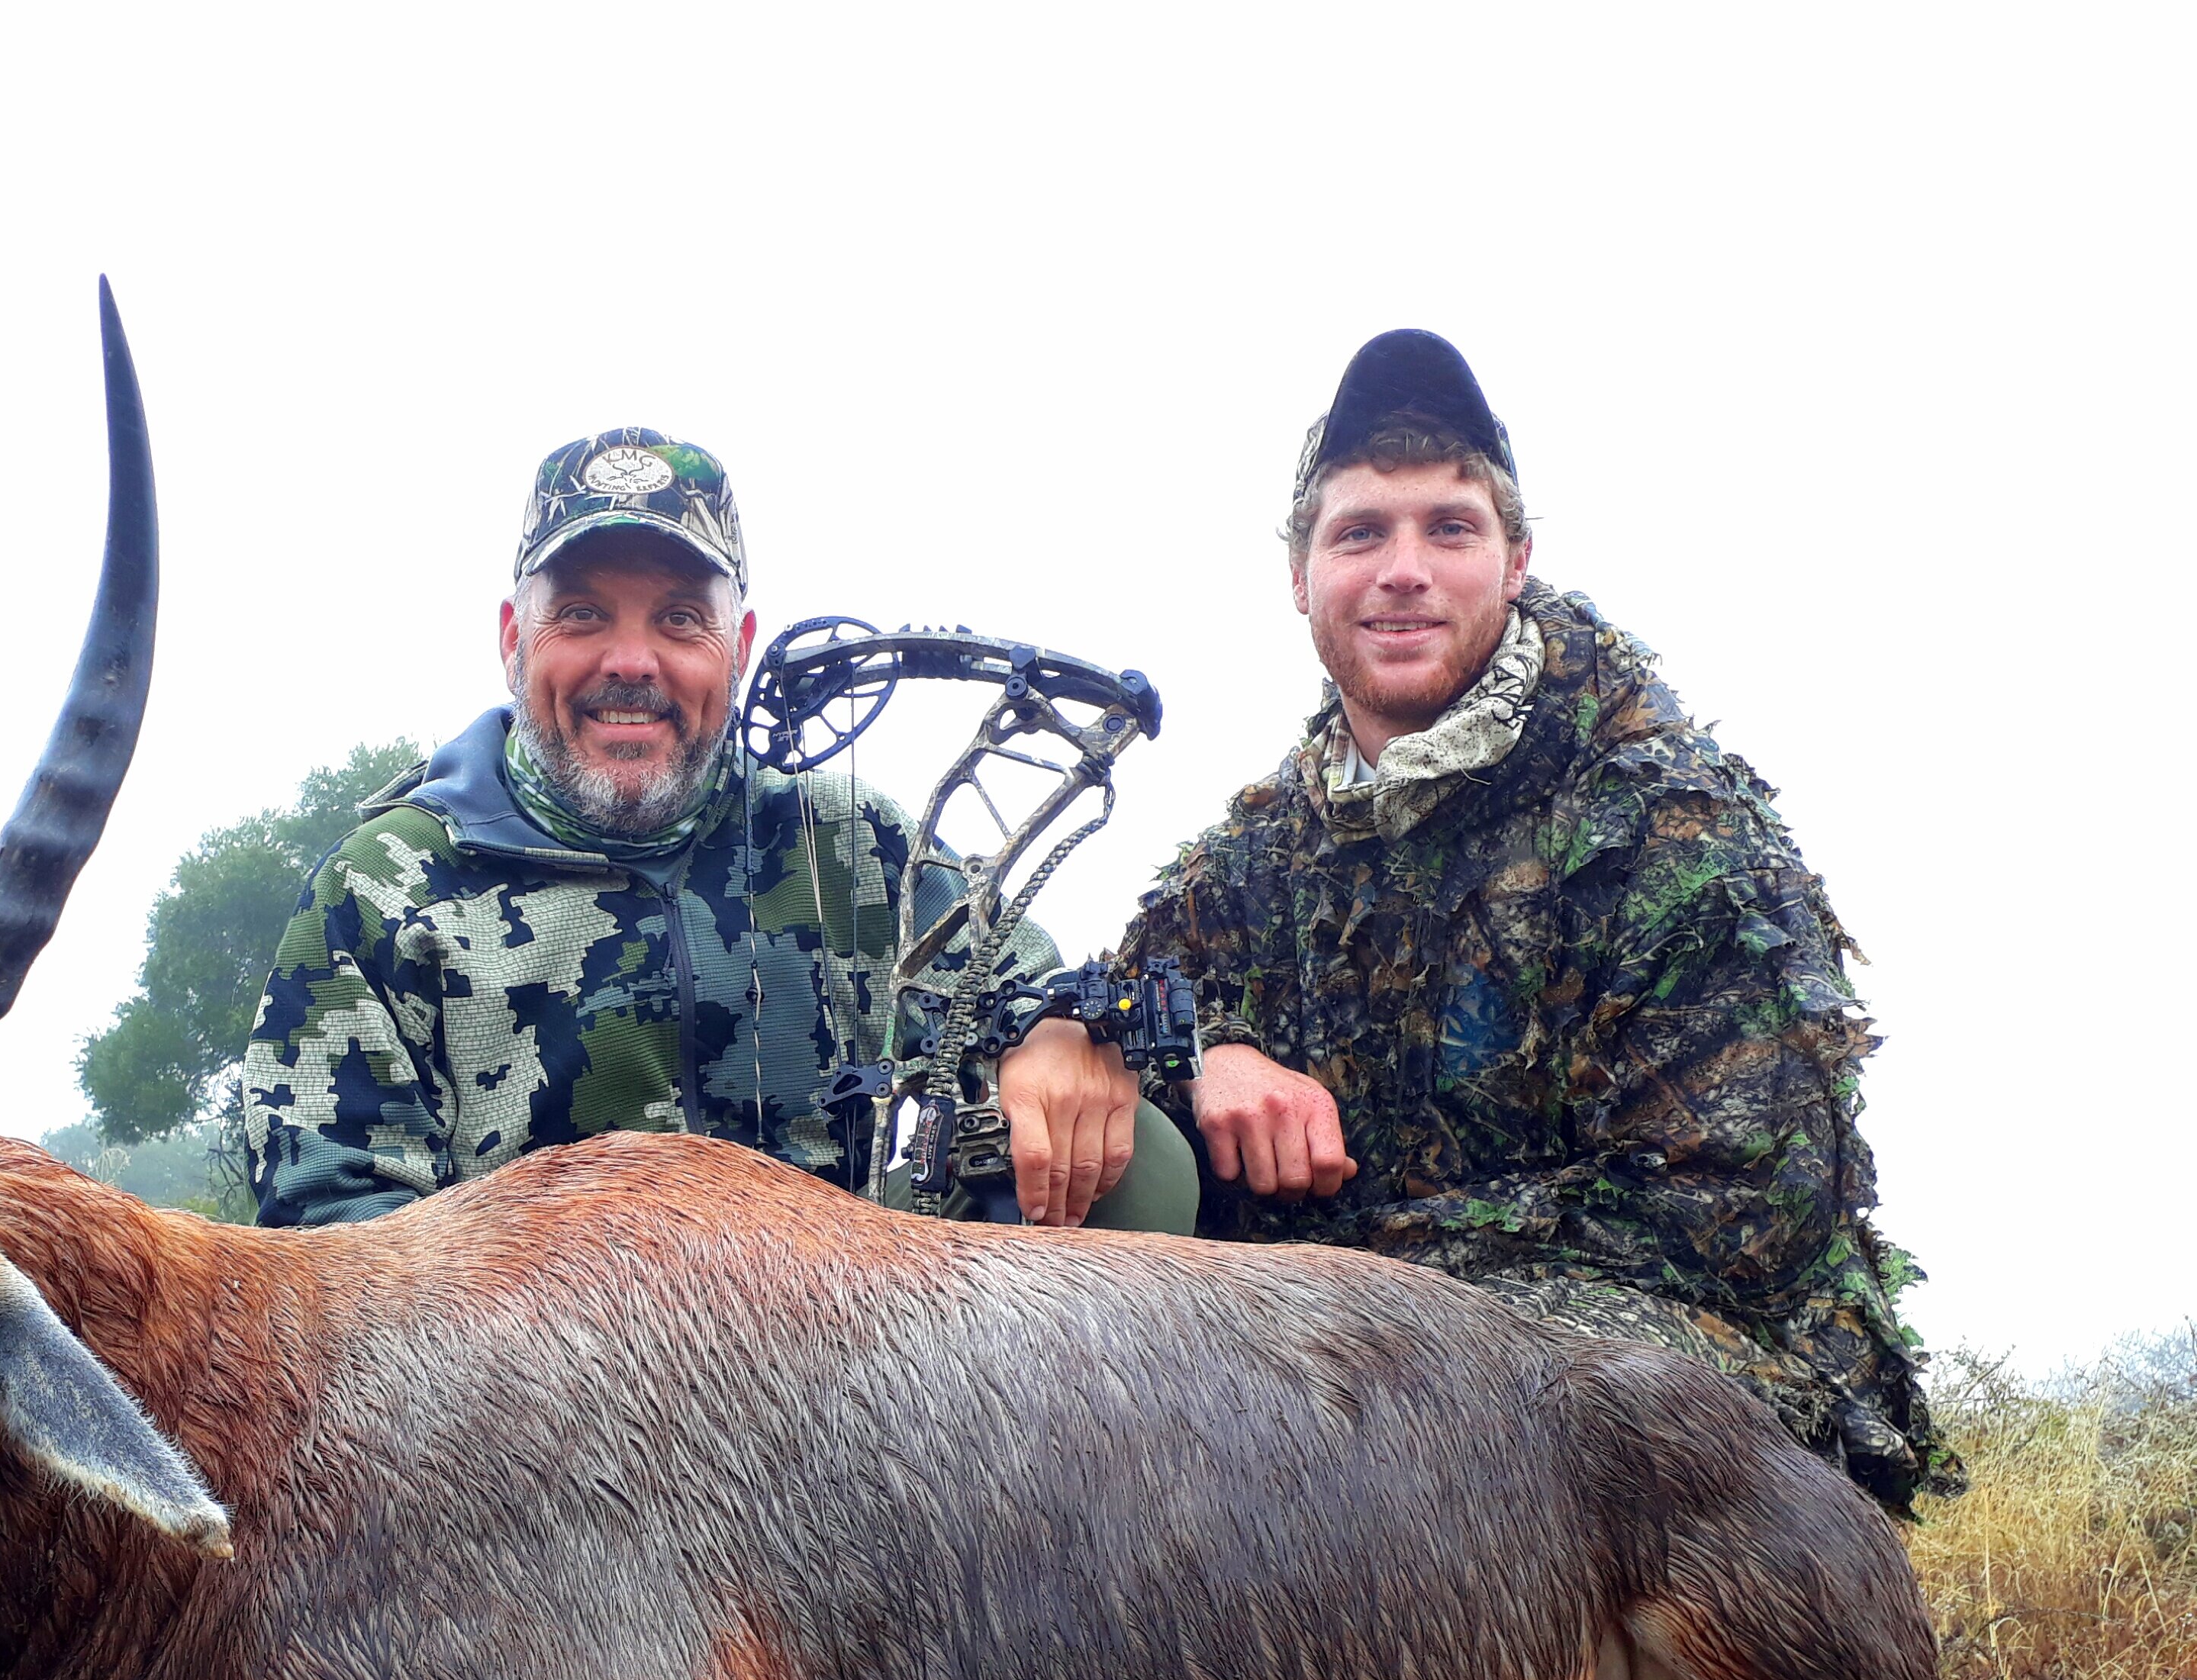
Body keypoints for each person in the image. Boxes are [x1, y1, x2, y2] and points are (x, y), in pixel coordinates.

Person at [1117, 332, 1945, 1509]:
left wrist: (1334, 1290)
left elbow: (1728, 1230)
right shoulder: (1259, 850)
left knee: (1502, 1421)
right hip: (1347, 1376)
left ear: (1514, 563)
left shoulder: (1668, 824)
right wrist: (1207, 1055)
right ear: (1299, 577)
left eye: (1449, 529)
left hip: (1697, 1397)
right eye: (1360, 532)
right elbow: (1117, 993)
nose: (1404, 569)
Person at [242, 427, 1188, 1231]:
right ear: (510, 639)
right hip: (527, 1412)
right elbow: (329, 1228)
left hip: (856, 1376)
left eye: (679, 620)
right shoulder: (380, 889)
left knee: (1138, 1156)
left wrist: (1058, 1034)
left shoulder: (853, 844)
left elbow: (1024, 979)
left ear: (734, 651)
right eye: (580, 615)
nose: (630, 661)